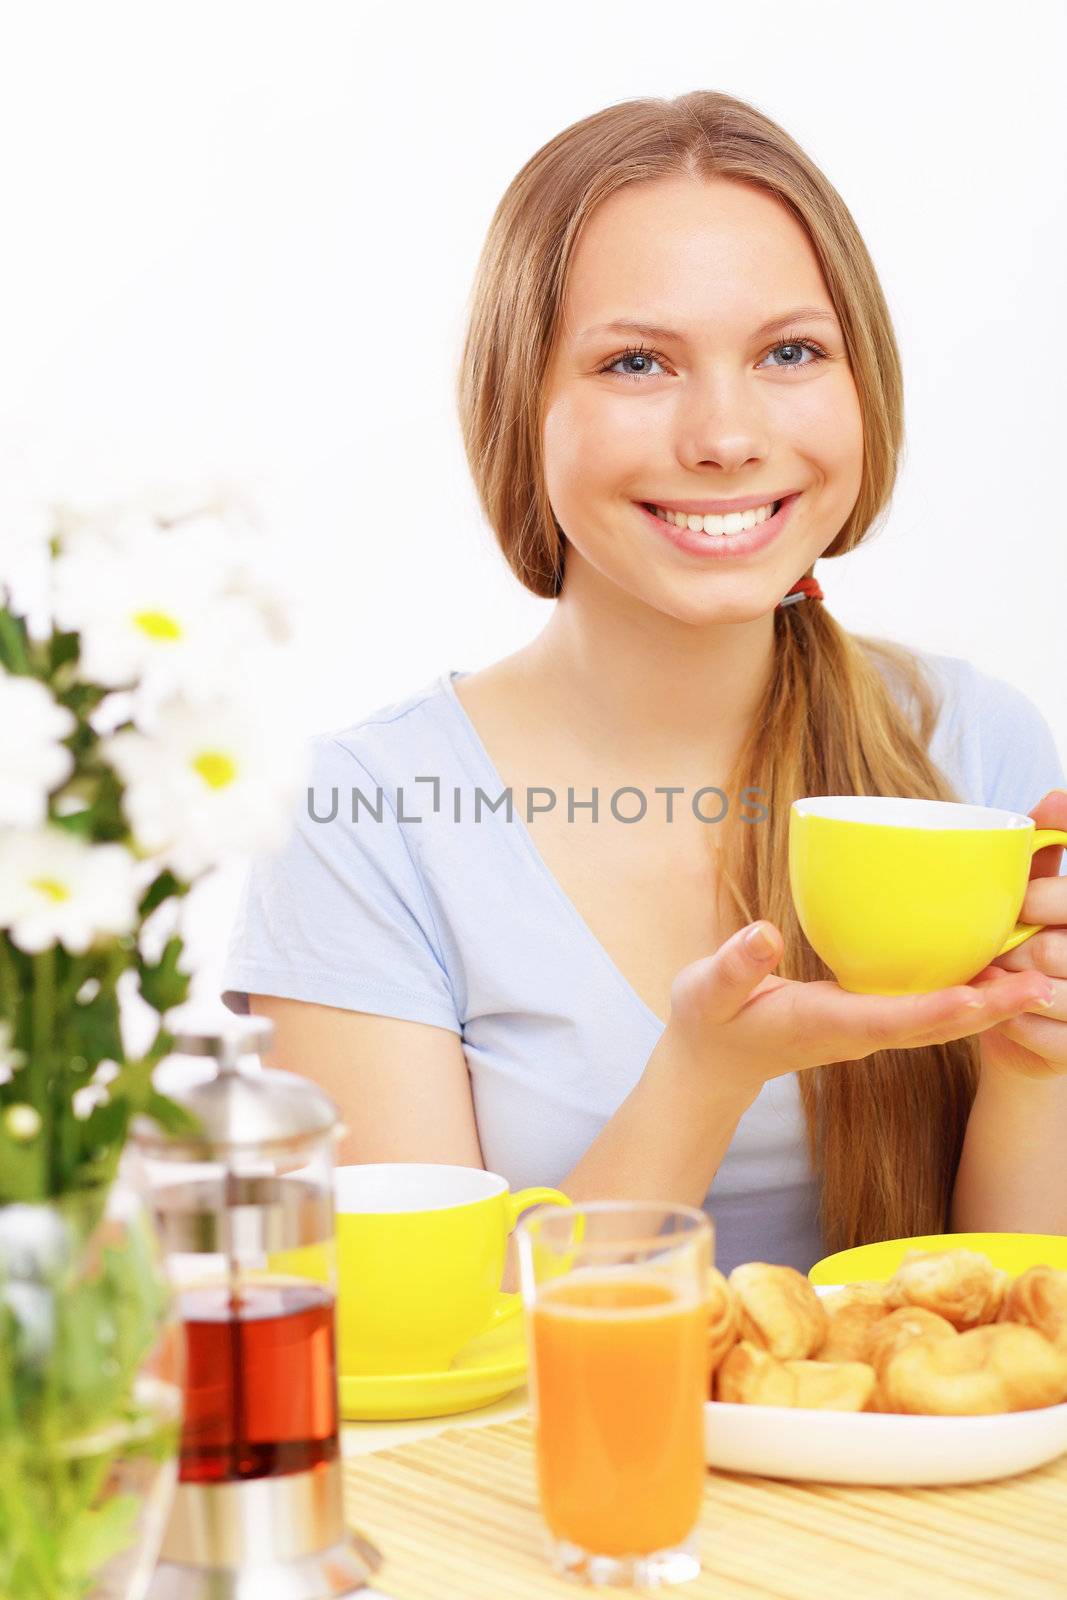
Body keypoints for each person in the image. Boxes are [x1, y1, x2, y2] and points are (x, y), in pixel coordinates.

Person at [220, 90, 1067, 1275]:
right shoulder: (367, 817)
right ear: (523, 410)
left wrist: (1034, 1062)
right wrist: (704, 1071)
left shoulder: (970, 748)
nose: (724, 434)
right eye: (635, 361)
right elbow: (420, 1342)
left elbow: (1014, 1329)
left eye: (787, 352)